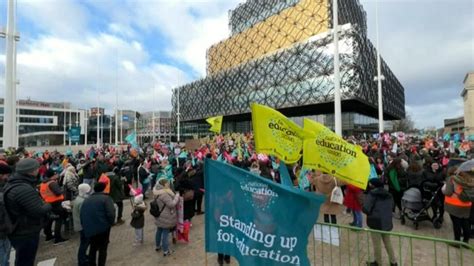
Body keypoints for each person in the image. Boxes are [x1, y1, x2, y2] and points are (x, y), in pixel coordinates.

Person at [4, 158, 52, 266]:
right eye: (37, 168)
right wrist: (48, 204)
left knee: (22, 260)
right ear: (31, 171)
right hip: (25, 232)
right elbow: (39, 210)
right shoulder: (23, 188)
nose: (38, 170)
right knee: (25, 261)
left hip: (19, 229)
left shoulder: (13, 183)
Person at [363, 178, 397, 266]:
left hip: (375, 221)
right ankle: (393, 262)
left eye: (370, 184)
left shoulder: (372, 194)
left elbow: (366, 208)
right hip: (386, 221)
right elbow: (392, 206)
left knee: (376, 243)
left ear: (373, 185)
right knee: (387, 242)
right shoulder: (389, 195)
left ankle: (378, 262)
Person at [80, 182, 116, 266]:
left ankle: (92, 264)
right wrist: (111, 223)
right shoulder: (106, 198)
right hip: (103, 227)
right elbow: (111, 213)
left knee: (93, 247)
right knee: (103, 248)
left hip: (90, 228)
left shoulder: (86, 200)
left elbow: (82, 215)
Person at [443, 160, 474, 245]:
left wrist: (444, 191)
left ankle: (456, 241)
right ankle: (466, 241)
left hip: (454, 205)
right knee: (465, 222)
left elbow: (448, 192)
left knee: (456, 223)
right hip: (467, 205)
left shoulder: (452, 179)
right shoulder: (471, 180)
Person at [40, 169, 68, 245]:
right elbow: (58, 192)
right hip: (56, 203)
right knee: (59, 219)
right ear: (52, 175)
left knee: (50, 220)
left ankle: (48, 236)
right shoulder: (52, 183)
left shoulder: (43, 183)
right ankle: (58, 238)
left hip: (48, 203)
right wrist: (62, 190)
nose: (57, 175)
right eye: (55, 174)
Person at [153, 178, 180, 256]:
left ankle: (157, 246)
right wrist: (177, 197)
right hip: (166, 216)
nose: (168, 184)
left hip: (159, 215)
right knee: (165, 232)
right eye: (167, 183)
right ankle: (166, 250)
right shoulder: (164, 194)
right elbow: (171, 204)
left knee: (159, 230)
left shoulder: (156, 191)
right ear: (163, 185)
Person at [73, 184, 91, 266]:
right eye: (88, 191)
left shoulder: (79, 198)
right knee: (85, 243)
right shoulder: (82, 201)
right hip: (83, 226)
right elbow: (84, 215)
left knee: (84, 242)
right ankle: (82, 261)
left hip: (80, 225)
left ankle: (83, 257)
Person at [0, 162, 12, 266]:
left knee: (5, 257)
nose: (7, 178)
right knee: (3, 259)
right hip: (2, 231)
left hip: (5, 229)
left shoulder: (3, 187)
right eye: (6, 176)